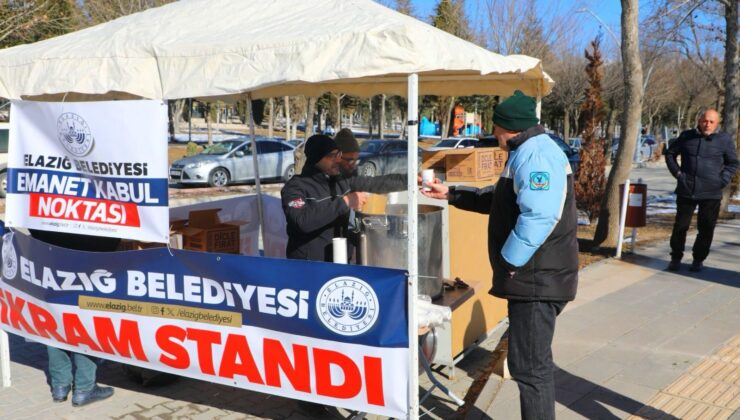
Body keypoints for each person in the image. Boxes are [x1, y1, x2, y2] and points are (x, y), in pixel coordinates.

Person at [421, 90, 578, 420]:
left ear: (511, 127)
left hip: (536, 280)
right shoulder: (528, 151)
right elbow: (502, 200)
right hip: (536, 279)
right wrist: (453, 193)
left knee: (530, 369)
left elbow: (539, 216)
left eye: (497, 127)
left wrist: (509, 261)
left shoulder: (537, 156)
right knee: (528, 365)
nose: (494, 133)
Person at [281, 134, 406, 262]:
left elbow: (376, 183)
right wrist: (345, 202)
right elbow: (302, 221)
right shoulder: (295, 187)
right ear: (316, 159)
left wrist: (411, 180)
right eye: (331, 156)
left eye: (338, 154)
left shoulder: (342, 181)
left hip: (340, 262)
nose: (338, 160)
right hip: (309, 266)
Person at [28, 230, 117, 407]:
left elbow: (34, 226)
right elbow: (108, 240)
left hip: (50, 262)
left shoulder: (45, 201)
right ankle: (84, 388)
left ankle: (60, 386)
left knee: (55, 321)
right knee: (85, 324)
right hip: (89, 263)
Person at [665, 109, 739, 272]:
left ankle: (698, 259)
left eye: (712, 122)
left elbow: (733, 163)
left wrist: (722, 179)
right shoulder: (686, 136)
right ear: (699, 121)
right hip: (687, 189)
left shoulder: (724, 140)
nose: (708, 125)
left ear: (717, 124)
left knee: (706, 228)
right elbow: (670, 154)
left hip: (711, 192)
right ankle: (675, 257)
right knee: (680, 226)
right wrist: (678, 174)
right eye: (705, 121)